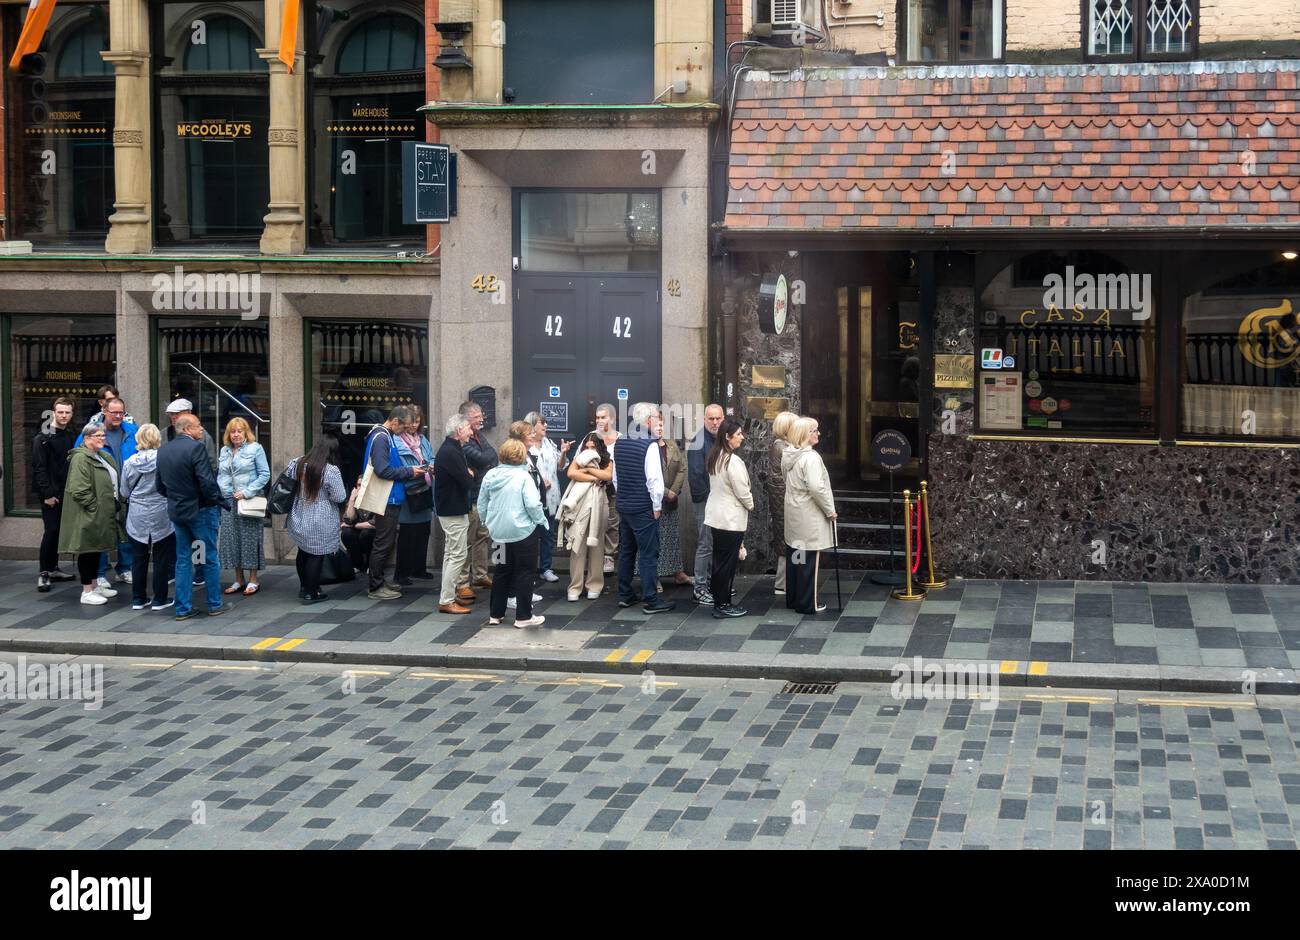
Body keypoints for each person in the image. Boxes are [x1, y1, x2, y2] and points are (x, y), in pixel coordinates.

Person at [156, 414, 229, 620]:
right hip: (201, 511)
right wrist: (217, 500)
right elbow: (207, 482)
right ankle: (214, 604)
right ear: (187, 428)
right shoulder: (196, 448)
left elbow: (159, 485)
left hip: (177, 511)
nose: (201, 430)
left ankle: (183, 608)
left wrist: (176, 498)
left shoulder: (163, 450)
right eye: (198, 426)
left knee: (183, 559)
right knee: (209, 558)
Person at [477, 439, 548, 628]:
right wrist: (540, 520)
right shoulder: (524, 477)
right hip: (523, 533)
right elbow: (533, 504)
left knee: (501, 571)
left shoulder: (490, 475)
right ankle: (523, 616)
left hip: (498, 533)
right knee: (525, 572)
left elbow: (482, 502)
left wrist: (486, 521)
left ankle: (495, 614)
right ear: (521, 456)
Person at [613, 402, 675, 614]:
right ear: (649, 421)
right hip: (643, 508)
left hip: (624, 505)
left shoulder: (620, 441)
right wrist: (656, 506)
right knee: (649, 554)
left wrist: (622, 498)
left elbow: (615, 478)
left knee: (626, 551)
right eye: (657, 418)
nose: (658, 422)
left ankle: (625, 594)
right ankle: (651, 599)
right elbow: (655, 481)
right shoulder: (649, 444)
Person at [58, 422, 126, 607]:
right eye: (98, 436)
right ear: (87, 438)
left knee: (96, 550)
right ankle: (87, 591)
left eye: (103, 435)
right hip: (89, 515)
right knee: (88, 552)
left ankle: (95, 586)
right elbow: (79, 490)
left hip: (102, 513)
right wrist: (95, 508)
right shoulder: (81, 458)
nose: (103, 439)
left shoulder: (101, 455)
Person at [75, 396, 138, 586]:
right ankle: (99, 573)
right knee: (101, 534)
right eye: (114, 412)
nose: (118, 416)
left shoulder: (132, 431)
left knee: (126, 532)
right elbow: (79, 454)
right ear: (104, 412)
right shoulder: (92, 431)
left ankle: (125, 569)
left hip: (127, 492)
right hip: (101, 493)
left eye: (121, 412)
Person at [363, 405, 424, 601]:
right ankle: (375, 586)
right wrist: (409, 471)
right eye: (404, 427)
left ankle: (379, 580)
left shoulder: (382, 435)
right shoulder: (382, 438)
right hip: (386, 498)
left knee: (385, 541)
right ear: (395, 421)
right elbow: (382, 470)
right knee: (383, 542)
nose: (405, 431)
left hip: (389, 496)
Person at [783, 416, 838, 615]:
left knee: (797, 555)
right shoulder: (811, 458)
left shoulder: (789, 454)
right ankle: (807, 603)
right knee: (809, 559)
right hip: (808, 513)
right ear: (806, 434)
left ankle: (795, 598)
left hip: (794, 512)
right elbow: (817, 488)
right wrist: (829, 510)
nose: (818, 433)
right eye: (815, 430)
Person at [121, 424, 176, 611]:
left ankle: (138, 598)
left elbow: (124, 491)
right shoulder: (164, 460)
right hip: (161, 511)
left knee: (138, 558)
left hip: (137, 514)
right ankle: (160, 599)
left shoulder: (129, 462)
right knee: (161, 557)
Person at [286, 436, 347, 604]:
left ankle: (304, 587)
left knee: (303, 551)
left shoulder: (297, 463)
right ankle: (311, 592)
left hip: (298, 513)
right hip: (320, 517)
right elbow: (339, 496)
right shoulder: (330, 470)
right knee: (316, 555)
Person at [704, 418, 753, 618]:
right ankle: (723, 605)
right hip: (730, 519)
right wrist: (751, 504)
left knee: (719, 561)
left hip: (717, 517)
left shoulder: (715, 456)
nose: (742, 437)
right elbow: (742, 491)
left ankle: (720, 601)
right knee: (727, 563)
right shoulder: (732, 461)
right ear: (727, 437)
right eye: (738, 434)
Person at [216, 417, 270, 597]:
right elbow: (221, 474)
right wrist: (222, 491)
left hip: (248, 499)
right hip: (228, 500)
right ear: (228, 434)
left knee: (249, 538)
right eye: (233, 431)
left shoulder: (256, 448)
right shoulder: (224, 451)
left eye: (240, 431)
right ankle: (238, 579)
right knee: (232, 539)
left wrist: (247, 491)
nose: (236, 434)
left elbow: (264, 474)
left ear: (246, 432)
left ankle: (253, 579)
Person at [557, 432, 612, 601]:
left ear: (599, 447)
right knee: (577, 544)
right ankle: (575, 587)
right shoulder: (579, 457)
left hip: (599, 504)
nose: (589, 449)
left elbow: (607, 476)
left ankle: (594, 585)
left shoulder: (607, 460)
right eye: (587, 446)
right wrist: (594, 476)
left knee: (597, 546)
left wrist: (587, 469)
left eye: (593, 447)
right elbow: (572, 473)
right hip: (580, 506)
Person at [33, 396, 77, 591]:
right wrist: (47, 494)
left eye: (67, 412)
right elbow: (39, 468)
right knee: (51, 531)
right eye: (60, 412)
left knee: (58, 532)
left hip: (66, 491)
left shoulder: (70, 434)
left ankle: (53, 568)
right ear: (53, 412)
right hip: (50, 494)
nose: (64, 415)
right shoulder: (42, 438)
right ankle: (43, 573)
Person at [435, 413, 477, 614]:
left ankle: (448, 595)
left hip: (451, 508)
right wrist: (470, 474)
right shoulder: (450, 452)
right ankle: (447, 599)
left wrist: (468, 473)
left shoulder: (451, 449)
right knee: (457, 555)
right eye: (468, 427)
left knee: (451, 554)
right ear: (459, 431)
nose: (471, 431)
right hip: (452, 510)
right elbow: (467, 481)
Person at [524, 411, 569, 583]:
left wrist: (564, 452)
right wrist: (540, 482)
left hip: (550, 498)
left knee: (548, 534)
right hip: (532, 499)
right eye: (542, 422)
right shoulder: (525, 447)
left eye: (546, 422)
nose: (546, 425)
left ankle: (546, 568)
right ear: (532, 425)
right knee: (530, 536)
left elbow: (561, 466)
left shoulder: (549, 443)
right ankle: (527, 571)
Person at [394, 406, 436, 585]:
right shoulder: (396, 440)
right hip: (408, 490)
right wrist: (414, 470)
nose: (414, 425)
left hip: (425, 488)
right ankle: (402, 573)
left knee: (424, 530)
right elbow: (397, 465)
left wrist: (431, 465)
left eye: (417, 421)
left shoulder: (423, 439)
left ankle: (419, 568)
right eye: (411, 421)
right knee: (407, 534)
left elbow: (431, 457)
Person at [688, 403, 724, 605]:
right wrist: (709, 499)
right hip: (705, 501)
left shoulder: (720, 440)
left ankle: (711, 584)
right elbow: (695, 476)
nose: (715, 422)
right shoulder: (698, 441)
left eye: (718, 418)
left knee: (713, 543)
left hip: (718, 500)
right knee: (705, 544)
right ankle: (700, 588)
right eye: (711, 418)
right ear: (704, 420)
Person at [459, 400, 497, 591]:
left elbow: (493, 455)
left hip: (484, 496)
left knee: (482, 536)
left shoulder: (479, 435)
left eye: (481, 416)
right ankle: (463, 582)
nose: (481, 419)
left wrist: (486, 460)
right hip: (470, 497)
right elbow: (483, 458)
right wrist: (486, 459)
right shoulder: (462, 440)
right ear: (465, 419)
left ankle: (480, 575)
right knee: (466, 540)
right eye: (477, 417)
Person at [654, 410, 690, 592]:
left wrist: (674, 491)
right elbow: (649, 476)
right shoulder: (647, 447)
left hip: (671, 503)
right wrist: (665, 492)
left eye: (661, 424)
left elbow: (682, 468)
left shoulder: (671, 445)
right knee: (656, 540)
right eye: (656, 424)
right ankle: (655, 577)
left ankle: (678, 572)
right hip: (654, 503)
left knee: (672, 539)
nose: (659, 427)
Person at [767, 411, 798, 596]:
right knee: (787, 543)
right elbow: (779, 480)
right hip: (785, 504)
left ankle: (785, 581)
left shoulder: (782, 446)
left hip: (783, 503)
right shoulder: (782, 447)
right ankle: (783, 583)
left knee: (785, 543)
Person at [595, 402, 621, 573]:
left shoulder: (622, 438)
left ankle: (608, 556)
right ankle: (594, 556)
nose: (599, 421)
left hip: (615, 488)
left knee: (612, 522)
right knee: (595, 521)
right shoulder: (591, 437)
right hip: (594, 486)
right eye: (597, 418)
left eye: (603, 417)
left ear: (612, 418)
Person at [163, 399, 218, 469]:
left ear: (188, 413)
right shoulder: (164, 433)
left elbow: (211, 463)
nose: (173, 417)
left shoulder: (202, 434)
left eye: (177, 413)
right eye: (171, 414)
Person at [340, 478, 377, 573]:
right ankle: (358, 564)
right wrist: (352, 500)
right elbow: (348, 520)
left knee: (366, 533)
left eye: (363, 484)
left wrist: (353, 525)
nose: (361, 487)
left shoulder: (376, 499)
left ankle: (370, 564)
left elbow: (375, 523)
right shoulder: (355, 499)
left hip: (373, 532)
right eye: (359, 485)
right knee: (346, 533)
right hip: (359, 531)